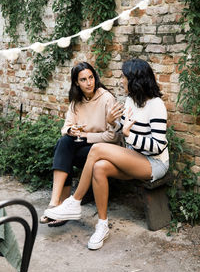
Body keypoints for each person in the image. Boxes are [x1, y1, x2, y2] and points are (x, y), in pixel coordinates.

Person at [44, 58, 169, 249]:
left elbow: (158, 146)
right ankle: (102, 225)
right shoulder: (130, 101)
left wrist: (128, 135)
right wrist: (114, 123)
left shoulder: (156, 105)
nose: (121, 80)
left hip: (153, 163)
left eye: (123, 76)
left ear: (134, 79)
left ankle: (74, 202)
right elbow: (123, 128)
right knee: (99, 167)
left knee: (97, 149)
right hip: (132, 156)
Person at [40, 61, 121, 226]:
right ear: (77, 82)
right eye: (83, 79)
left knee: (63, 149)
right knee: (64, 143)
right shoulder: (76, 100)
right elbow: (66, 127)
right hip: (84, 147)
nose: (89, 82)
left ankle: (62, 207)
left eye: (91, 77)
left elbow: (114, 137)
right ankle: (56, 203)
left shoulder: (106, 98)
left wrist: (85, 136)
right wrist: (71, 131)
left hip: (105, 150)